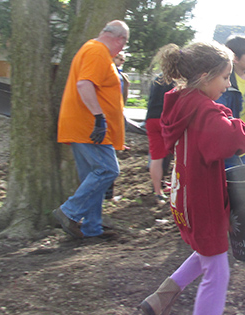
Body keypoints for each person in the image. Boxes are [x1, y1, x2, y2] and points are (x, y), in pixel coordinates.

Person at [139, 41, 245, 315]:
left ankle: (160, 300)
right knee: (217, 271)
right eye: (224, 78)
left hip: (186, 194)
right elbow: (232, 141)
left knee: (207, 252)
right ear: (204, 76)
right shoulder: (205, 111)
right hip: (202, 199)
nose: (228, 85)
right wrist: (240, 127)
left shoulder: (182, 102)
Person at [53, 20, 129, 241]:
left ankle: (91, 229)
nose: (121, 50)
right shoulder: (97, 51)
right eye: (123, 44)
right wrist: (99, 118)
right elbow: (84, 84)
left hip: (85, 127)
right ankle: (69, 211)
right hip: (91, 128)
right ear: (119, 39)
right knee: (108, 170)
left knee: (93, 177)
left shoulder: (94, 50)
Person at [216, 35, 245, 168]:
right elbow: (220, 114)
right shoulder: (225, 81)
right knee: (230, 181)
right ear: (235, 58)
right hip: (229, 143)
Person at [104, 51, 132, 201]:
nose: (121, 61)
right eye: (118, 58)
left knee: (112, 155)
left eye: (123, 59)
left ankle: (108, 193)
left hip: (117, 117)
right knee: (108, 159)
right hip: (107, 119)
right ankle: (107, 193)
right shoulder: (108, 72)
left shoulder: (121, 76)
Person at [145, 73, 174, 203]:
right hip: (167, 120)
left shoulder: (158, 78)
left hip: (151, 118)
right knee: (176, 153)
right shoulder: (177, 79)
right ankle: (176, 187)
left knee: (156, 156)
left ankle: (158, 191)